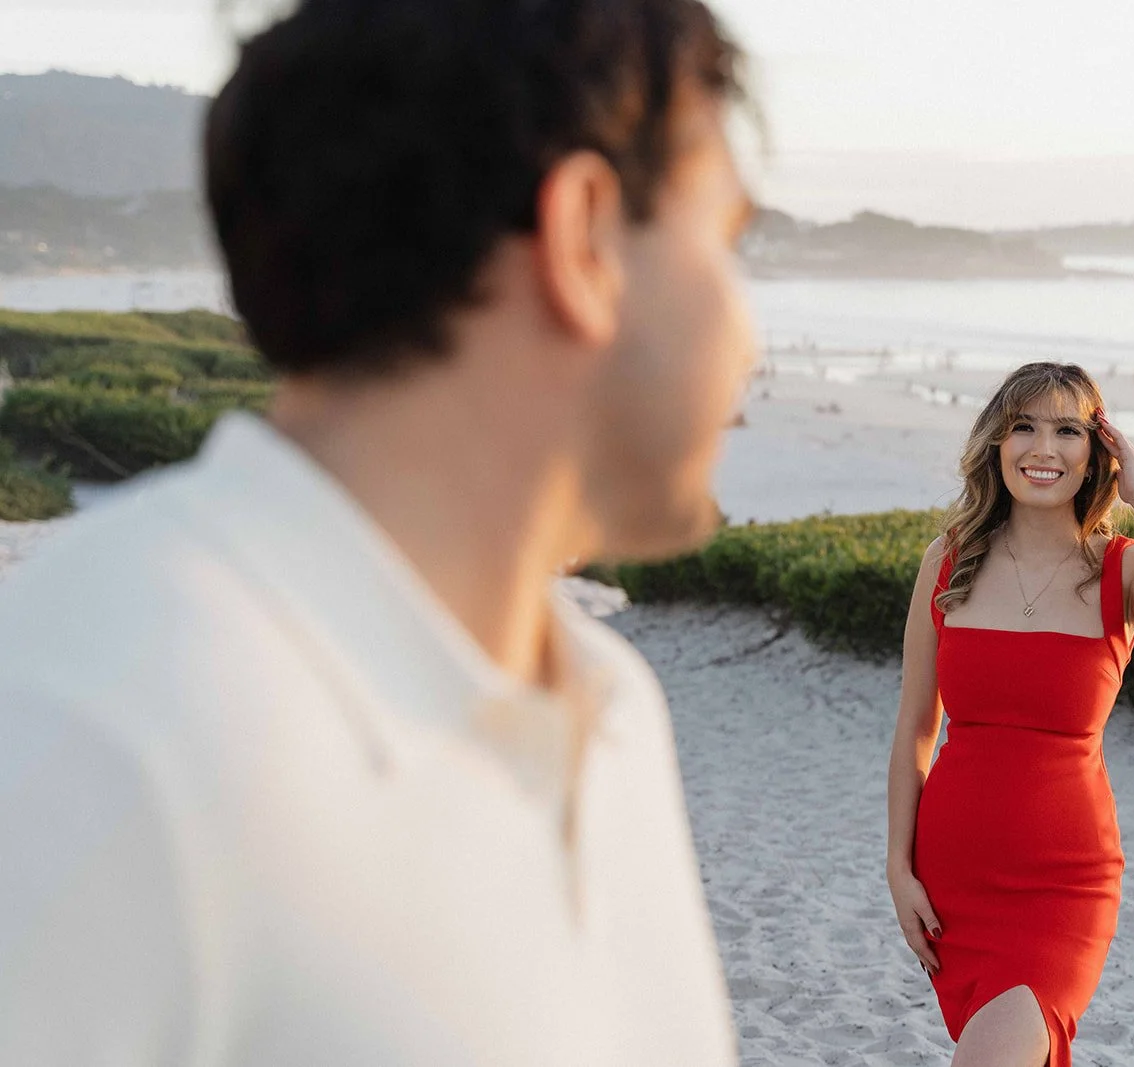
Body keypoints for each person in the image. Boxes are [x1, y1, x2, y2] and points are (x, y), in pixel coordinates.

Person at [0, 0, 755, 1063]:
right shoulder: (104, 723)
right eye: (727, 239)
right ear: (584, 237)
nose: (750, 341)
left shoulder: (614, 714)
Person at [886, 361, 1134, 1067]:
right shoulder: (948, 561)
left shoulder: (1123, 567)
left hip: (1064, 885)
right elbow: (916, 726)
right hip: (954, 880)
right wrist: (898, 867)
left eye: (1068, 430)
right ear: (996, 442)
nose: (1044, 449)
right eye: (1024, 427)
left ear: (1097, 452)